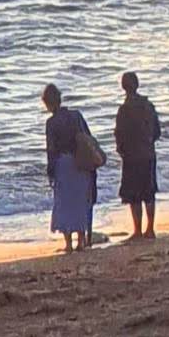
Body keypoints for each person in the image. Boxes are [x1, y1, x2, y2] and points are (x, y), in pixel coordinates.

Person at [40, 84, 98, 254]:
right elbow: (89, 138)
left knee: (65, 203)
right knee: (80, 201)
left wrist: (50, 171)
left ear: (47, 103)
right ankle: (81, 240)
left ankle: (68, 244)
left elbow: (51, 150)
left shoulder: (51, 123)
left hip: (63, 164)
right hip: (80, 161)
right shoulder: (76, 116)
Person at [114, 72, 162, 241]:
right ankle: (150, 229)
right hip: (148, 153)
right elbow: (157, 131)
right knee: (149, 192)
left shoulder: (124, 109)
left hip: (131, 156)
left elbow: (119, 135)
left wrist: (121, 150)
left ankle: (138, 230)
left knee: (134, 194)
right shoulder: (148, 105)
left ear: (123, 87)